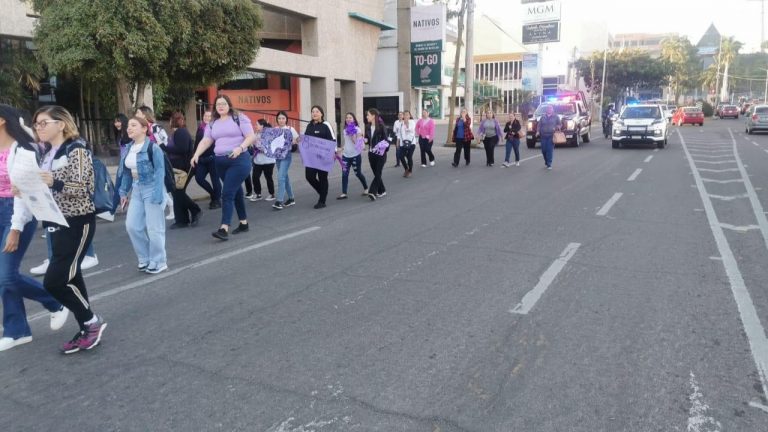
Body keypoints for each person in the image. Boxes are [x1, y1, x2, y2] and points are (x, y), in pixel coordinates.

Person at [32, 105, 106, 354]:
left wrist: (54, 181)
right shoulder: (46, 153)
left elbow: (83, 187)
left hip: (77, 220)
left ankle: (91, 322)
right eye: (36, 124)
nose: (39, 128)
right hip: (54, 221)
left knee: (54, 281)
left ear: (61, 124)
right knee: (71, 276)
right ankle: (87, 327)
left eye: (44, 123)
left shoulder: (77, 149)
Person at [0, 104, 69, 352]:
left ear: (2, 121)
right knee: (4, 275)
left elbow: (24, 191)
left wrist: (15, 228)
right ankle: (17, 330)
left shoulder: (23, 149)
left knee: (6, 276)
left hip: (17, 211)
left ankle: (54, 301)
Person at [191, 94, 256, 240]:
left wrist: (240, 148)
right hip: (220, 162)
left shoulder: (239, 118)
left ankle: (224, 228)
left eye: (223, 103)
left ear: (229, 105)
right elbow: (206, 140)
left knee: (227, 193)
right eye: (218, 104)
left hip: (239, 160)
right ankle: (243, 223)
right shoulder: (213, 123)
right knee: (235, 191)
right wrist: (196, 154)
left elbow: (251, 136)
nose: (221, 106)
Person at [117, 116, 168, 273]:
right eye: (128, 126)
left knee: (154, 229)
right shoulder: (128, 148)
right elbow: (126, 173)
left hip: (152, 188)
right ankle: (145, 258)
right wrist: (123, 192)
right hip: (136, 189)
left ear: (144, 129)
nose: (129, 128)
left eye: (134, 125)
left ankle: (159, 261)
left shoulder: (153, 148)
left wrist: (158, 194)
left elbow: (160, 172)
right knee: (132, 226)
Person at [135, 105, 174, 220]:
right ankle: (168, 209)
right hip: (146, 163)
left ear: (144, 115)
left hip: (157, 161)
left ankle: (169, 209)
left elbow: (165, 143)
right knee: (156, 187)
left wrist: (157, 152)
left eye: (138, 113)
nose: (136, 115)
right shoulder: (142, 128)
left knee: (160, 186)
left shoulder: (155, 128)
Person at [167, 112, 201, 229]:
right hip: (179, 167)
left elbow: (182, 149)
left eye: (170, 120)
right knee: (177, 193)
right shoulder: (177, 132)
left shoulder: (181, 132)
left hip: (184, 168)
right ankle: (182, 220)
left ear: (173, 121)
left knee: (178, 192)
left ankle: (194, 210)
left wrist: (164, 147)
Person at [304, 106, 336, 209]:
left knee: (323, 178)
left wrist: (333, 153)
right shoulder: (309, 126)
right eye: (313, 112)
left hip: (324, 156)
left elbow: (332, 139)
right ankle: (322, 192)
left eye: (317, 111)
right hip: (311, 158)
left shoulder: (326, 125)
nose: (314, 113)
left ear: (321, 113)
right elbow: (306, 139)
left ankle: (322, 201)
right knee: (309, 177)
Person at [194, 111, 221, 209]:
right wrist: (194, 155)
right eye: (205, 115)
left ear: (212, 118)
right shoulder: (200, 127)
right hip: (201, 159)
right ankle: (213, 195)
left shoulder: (215, 128)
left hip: (212, 158)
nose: (206, 117)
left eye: (209, 116)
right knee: (199, 178)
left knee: (215, 180)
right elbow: (197, 143)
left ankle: (217, 200)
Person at [271, 111, 298, 210]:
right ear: (277, 119)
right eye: (279, 118)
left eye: (283, 118)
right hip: (278, 156)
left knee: (280, 177)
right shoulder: (275, 129)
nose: (281, 120)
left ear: (286, 119)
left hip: (287, 156)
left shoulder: (291, 129)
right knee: (284, 177)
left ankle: (279, 201)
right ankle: (291, 198)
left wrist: (294, 142)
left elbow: (298, 140)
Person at [337, 112, 368, 199]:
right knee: (344, 174)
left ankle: (366, 188)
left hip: (355, 155)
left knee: (358, 173)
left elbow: (357, 143)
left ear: (354, 119)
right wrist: (341, 149)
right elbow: (346, 143)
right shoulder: (344, 130)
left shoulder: (358, 129)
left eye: (350, 117)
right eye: (347, 117)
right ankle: (344, 193)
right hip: (346, 156)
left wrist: (352, 134)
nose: (348, 119)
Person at [247, 119, 276, 202]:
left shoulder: (269, 134)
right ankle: (258, 194)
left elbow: (269, 147)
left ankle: (272, 194)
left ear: (262, 126)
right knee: (255, 177)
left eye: (257, 124)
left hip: (268, 161)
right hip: (258, 161)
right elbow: (251, 144)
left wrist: (260, 148)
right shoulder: (255, 134)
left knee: (268, 178)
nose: (255, 126)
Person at [111, 113, 131, 214]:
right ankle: (114, 209)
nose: (116, 124)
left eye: (118, 121)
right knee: (120, 186)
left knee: (121, 186)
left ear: (124, 121)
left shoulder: (129, 133)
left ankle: (112, 210)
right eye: (115, 122)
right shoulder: (120, 134)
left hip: (129, 163)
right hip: (123, 162)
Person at [366, 108, 388, 200]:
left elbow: (386, 140)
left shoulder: (381, 126)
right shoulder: (368, 127)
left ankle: (372, 191)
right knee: (376, 173)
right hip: (371, 154)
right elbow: (367, 140)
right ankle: (382, 190)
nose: (367, 117)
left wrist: (381, 149)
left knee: (378, 172)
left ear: (373, 116)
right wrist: (363, 140)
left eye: (368, 115)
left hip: (380, 154)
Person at [538, 104, 560, 170]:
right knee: (543, 150)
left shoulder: (556, 116)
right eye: (548, 108)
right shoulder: (543, 117)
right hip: (543, 136)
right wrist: (537, 131)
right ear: (546, 110)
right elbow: (539, 125)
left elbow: (559, 124)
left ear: (552, 110)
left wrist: (556, 127)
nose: (549, 109)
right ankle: (546, 161)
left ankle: (549, 164)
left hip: (551, 136)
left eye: (550, 108)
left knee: (549, 150)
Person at [396, 110, 416, 177]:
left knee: (409, 157)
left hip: (411, 143)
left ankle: (410, 171)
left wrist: (406, 124)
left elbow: (411, 130)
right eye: (405, 115)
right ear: (403, 116)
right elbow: (399, 134)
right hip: (403, 143)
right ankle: (406, 169)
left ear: (409, 116)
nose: (406, 116)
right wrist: (397, 142)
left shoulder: (412, 122)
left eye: (407, 115)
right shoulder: (400, 124)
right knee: (400, 156)